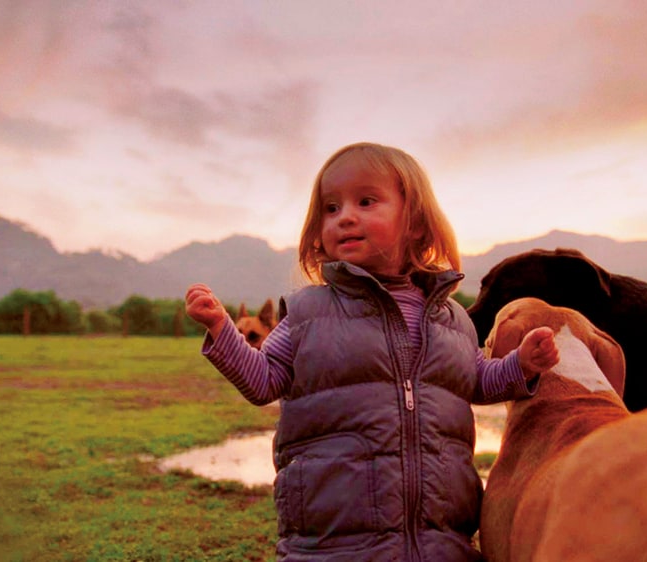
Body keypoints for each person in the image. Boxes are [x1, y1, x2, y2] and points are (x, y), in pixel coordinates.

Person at [185, 142, 559, 561]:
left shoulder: (451, 318)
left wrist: (521, 365)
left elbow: (475, 379)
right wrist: (221, 329)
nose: (345, 216)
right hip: (333, 545)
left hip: (441, 541)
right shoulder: (309, 313)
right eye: (330, 208)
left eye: (366, 201)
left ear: (416, 223)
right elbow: (262, 380)